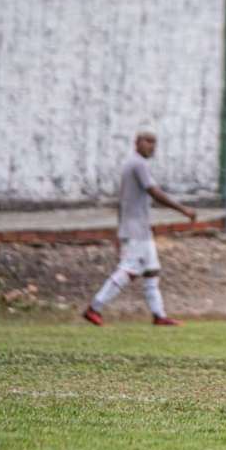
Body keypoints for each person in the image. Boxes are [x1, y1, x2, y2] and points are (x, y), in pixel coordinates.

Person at [83, 126, 197, 326]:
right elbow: (154, 192)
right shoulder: (138, 164)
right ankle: (94, 308)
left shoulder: (132, 164)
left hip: (139, 227)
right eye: (147, 141)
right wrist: (183, 209)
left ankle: (159, 316)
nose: (151, 147)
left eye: (154, 143)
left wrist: (119, 231)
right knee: (129, 270)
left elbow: (123, 202)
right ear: (137, 143)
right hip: (136, 229)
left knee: (152, 271)